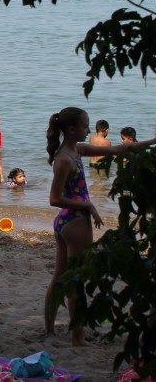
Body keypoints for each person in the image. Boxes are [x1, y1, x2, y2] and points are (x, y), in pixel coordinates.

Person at [44, 107, 156, 346]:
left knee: (59, 276)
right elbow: (54, 199)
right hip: (74, 222)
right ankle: (77, 337)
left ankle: (50, 329)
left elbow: (118, 149)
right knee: (76, 280)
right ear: (72, 129)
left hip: (65, 221)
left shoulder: (76, 150)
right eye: (85, 125)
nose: (88, 129)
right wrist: (89, 206)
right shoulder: (65, 159)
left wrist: (152, 141)